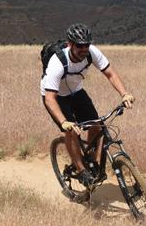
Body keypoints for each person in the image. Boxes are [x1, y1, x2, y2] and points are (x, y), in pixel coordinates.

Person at [41, 23, 135, 189]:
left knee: (97, 125)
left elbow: (110, 74)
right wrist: (64, 122)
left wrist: (124, 93)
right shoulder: (58, 62)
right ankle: (81, 169)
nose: (84, 49)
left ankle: (91, 160)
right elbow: (50, 98)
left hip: (76, 91)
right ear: (70, 44)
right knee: (70, 131)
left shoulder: (92, 53)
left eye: (87, 45)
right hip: (57, 97)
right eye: (79, 45)